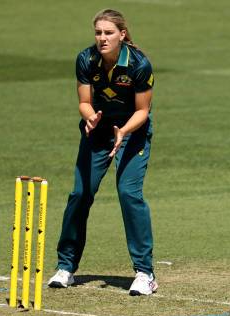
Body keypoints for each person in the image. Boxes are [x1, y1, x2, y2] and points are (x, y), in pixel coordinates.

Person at [48, 9, 157, 295]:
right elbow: (84, 101)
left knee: (129, 193)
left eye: (108, 32)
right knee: (80, 194)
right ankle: (66, 267)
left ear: (122, 34)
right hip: (98, 133)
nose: (102, 38)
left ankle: (145, 273)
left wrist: (123, 131)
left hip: (132, 133)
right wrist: (90, 117)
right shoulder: (86, 59)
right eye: (98, 32)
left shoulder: (139, 64)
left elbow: (143, 111)